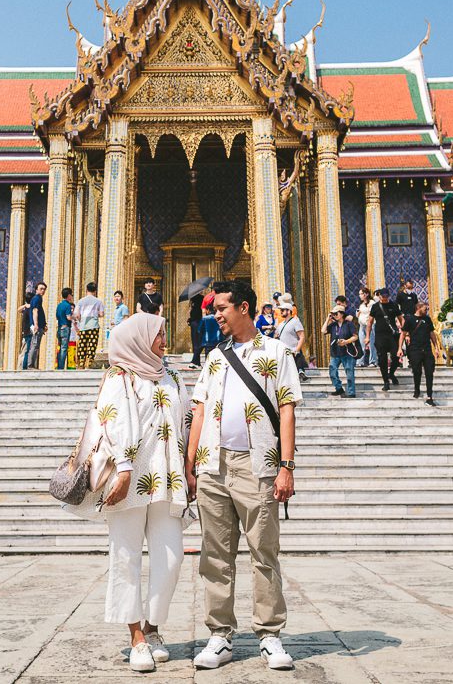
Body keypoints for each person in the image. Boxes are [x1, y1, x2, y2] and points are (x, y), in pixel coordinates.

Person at [186, 280, 298, 672]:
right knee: (215, 555)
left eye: (221, 308)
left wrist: (287, 466)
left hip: (259, 465)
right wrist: (191, 466)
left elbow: (286, 409)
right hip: (213, 465)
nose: (215, 314)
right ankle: (220, 635)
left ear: (244, 308)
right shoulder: (215, 357)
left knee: (263, 551)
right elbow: (199, 410)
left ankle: (269, 635)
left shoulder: (276, 352)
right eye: (214, 309)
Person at [73, 313, 191, 674]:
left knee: (171, 560)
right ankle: (136, 636)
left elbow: (186, 422)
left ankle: (154, 627)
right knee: (126, 559)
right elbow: (110, 423)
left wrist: (191, 469)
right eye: (158, 335)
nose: (163, 341)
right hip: (128, 480)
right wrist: (123, 469)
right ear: (138, 338)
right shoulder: (119, 377)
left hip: (167, 479)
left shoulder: (171, 376)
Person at [401, 302, 438, 403]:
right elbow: (403, 334)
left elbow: (432, 333)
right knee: (417, 371)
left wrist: (436, 347)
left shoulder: (427, 319)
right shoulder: (410, 319)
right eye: (425, 309)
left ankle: (429, 396)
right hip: (415, 349)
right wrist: (399, 348)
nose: (426, 311)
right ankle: (417, 389)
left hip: (427, 349)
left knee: (429, 373)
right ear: (418, 308)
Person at [369, 288, 402, 391]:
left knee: (396, 357)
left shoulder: (393, 305)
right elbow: (370, 322)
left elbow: (401, 319)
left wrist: (406, 333)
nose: (384, 298)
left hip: (392, 335)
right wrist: (367, 336)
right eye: (383, 296)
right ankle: (386, 381)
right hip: (380, 336)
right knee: (382, 359)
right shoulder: (375, 307)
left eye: (386, 296)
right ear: (379, 296)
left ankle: (391, 374)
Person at [325, 306, 359, 398]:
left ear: (342, 314)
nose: (334, 315)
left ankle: (351, 393)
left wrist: (346, 342)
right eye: (333, 314)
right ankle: (339, 388)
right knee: (332, 371)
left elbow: (355, 336)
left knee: (349, 373)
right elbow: (323, 330)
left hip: (347, 352)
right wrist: (328, 319)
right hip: (335, 352)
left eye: (336, 314)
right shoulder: (333, 325)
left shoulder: (349, 324)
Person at [75, 282, 106, 369]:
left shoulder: (81, 301)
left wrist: (81, 319)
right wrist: (96, 314)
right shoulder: (98, 301)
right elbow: (101, 314)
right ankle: (89, 363)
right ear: (95, 291)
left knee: (82, 345)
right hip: (94, 326)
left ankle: (81, 364)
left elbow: (77, 315)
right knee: (92, 345)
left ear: (86, 290)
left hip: (83, 326)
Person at [276, 299, 307, 381]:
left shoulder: (295, 322)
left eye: (282, 310)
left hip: (293, 352)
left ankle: (301, 372)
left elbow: (302, 337)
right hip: (283, 354)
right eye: (280, 310)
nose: (281, 312)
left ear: (289, 311)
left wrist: (297, 350)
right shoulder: (280, 324)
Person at [25, 283, 48, 369]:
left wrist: (43, 324)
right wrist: (36, 325)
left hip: (39, 326)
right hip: (36, 326)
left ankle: (32, 364)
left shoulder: (39, 299)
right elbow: (35, 311)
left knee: (36, 345)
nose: (43, 291)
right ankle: (30, 365)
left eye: (44, 289)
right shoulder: (36, 298)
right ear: (36, 290)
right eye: (41, 289)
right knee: (34, 345)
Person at [55, 287, 75, 370]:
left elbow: (57, 317)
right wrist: (75, 317)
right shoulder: (67, 305)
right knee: (64, 348)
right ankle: (61, 367)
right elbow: (68, 317)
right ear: (69, 295)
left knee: (60, 347)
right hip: (65, 328)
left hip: (59, 328)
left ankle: (58, 365)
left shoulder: (59, 305)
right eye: (71, 295)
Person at [356, 287, 375, 367]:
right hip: (362, 325)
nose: (360, 295)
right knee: (361, 343)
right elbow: (359, 313)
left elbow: (371, 314)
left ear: (366, 294)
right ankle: (360, 361)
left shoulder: (372, 303)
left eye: (361, 294)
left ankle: (373, 361)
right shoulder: (361, 305)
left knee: (371, 343)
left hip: (370, 325)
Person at [187, 291, 205, 369]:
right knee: (201, 341)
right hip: (200, 321)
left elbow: (190, 310)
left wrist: (189, 319)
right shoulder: (203, 298)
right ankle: (195, 361)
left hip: (193, 321)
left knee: (195, 342)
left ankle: (196, 362)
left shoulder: (192, 299)